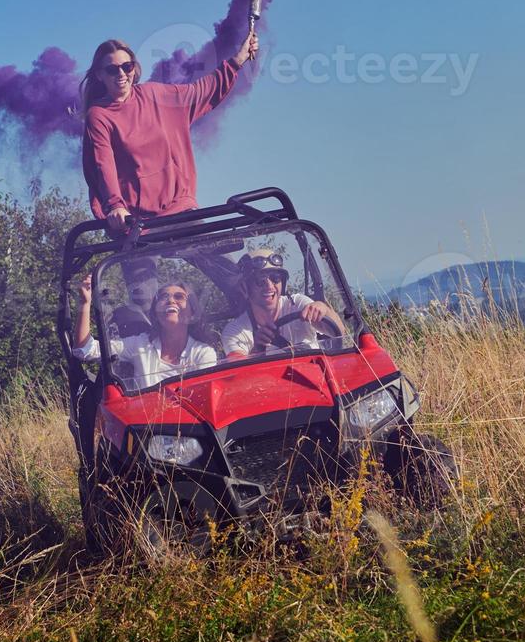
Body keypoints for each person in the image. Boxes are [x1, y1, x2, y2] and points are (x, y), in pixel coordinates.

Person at [79, 30, 260, 235]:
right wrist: (114, 205)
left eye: (126, 66)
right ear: (99, 75)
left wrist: (238, 60)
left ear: (134, 68)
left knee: (218, 260)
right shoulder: (99, 115)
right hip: (134, 221)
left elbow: (200, 91)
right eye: (112, 69)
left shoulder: (155, 95)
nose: (121, 74)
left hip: (178, 207)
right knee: (140, 267)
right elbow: (104, 163)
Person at [71, 276, 217, 388]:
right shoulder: (140, 344)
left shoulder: (203, 353)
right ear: (155, 313)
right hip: (144, 427)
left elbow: (203, 400)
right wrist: (85, 302)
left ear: (192, 312)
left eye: (179, 297)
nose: (170, 300)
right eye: (163, 297)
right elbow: (85, 350)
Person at [222, 249, 347, 359]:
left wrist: (323, 309)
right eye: (260, 281)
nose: (269, 286)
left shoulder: (297, 304)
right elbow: (239, 378)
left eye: (275, 278)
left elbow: (340, 333)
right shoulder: (235, 331)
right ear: (245, 287)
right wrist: (257, 350)